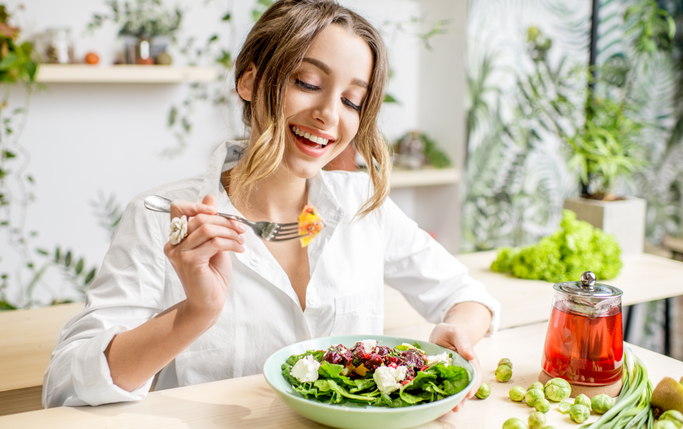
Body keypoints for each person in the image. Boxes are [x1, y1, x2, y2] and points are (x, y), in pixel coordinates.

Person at [42, 0, 500, 411]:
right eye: (307, 82)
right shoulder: (162, 216)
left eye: (351, 100)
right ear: (250, 80)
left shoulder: (362, 204)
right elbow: (66, 386)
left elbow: (466, 295)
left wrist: (457, 333)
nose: (329, 114)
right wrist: (194, 313)